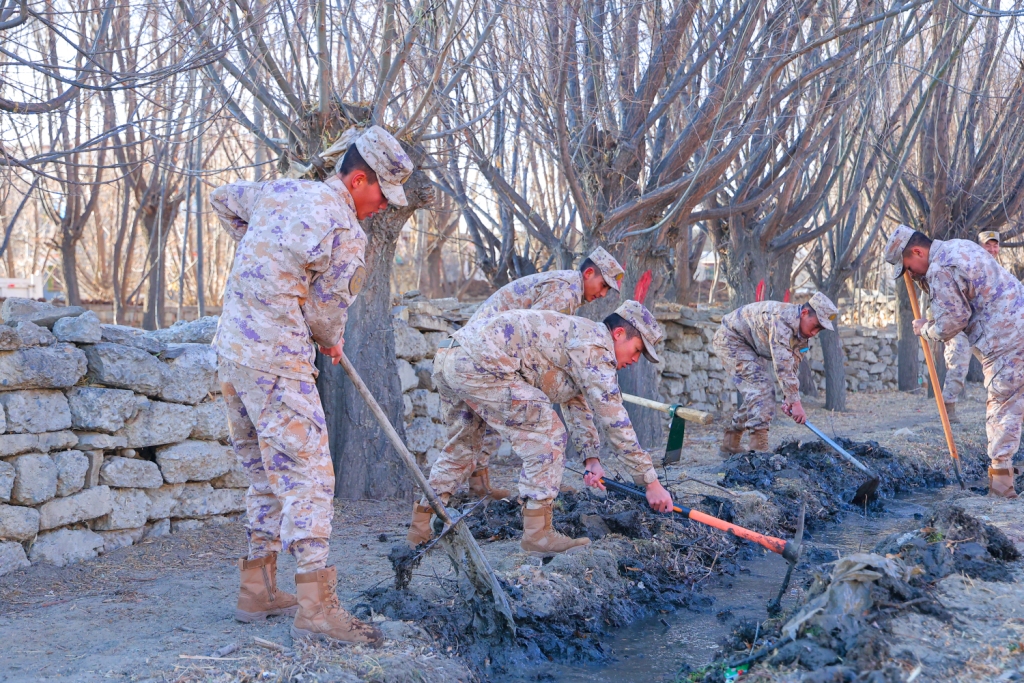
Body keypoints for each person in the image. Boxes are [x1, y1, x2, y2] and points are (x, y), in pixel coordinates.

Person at [211, 125, 413, 646]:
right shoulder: (347, 233)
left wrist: (269, 258)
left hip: (231, 352)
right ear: (359, 179)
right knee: (311, 477)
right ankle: (316, 606)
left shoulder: (280, 190)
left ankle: (256, 590)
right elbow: (325, 320)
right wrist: (328, 339)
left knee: (263, 471)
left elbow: (223, 200)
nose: (383, 207)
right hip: (278, 360)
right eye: (382, 196)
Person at [407, 301, 674, 555]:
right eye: (638, 350)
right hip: (481, 363)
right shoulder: (596, 346)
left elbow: (574, 400)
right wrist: (650, 482)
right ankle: (537, 535)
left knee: (463, 447)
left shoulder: (579, 337)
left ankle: (419, 530)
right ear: (618, 334)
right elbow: (615, 420)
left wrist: (591, 458)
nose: (636, 360)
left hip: (451, 356)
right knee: (548, 433)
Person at [449, 247, 626, 501]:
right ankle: (539, 482)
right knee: (531, 414)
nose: (603, 294)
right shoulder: (565, 291)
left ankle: (479, 486)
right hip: (489, 352)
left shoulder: (566, 289)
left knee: (485, 419)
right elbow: (536, 343)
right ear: (588, 273)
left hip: (479, 351)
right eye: (603, 285)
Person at [884, 224, 1024, 498]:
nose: (909, 275)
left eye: (908, 267)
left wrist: (924, 328)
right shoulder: (958, 246)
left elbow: (952, 322)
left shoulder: (939, 269)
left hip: (1004, 338)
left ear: (916, 251)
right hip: (1016, 323)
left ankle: (1001, 488)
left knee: (1003, 405)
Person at [712, 292, 839, 455]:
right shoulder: (782, 320)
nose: (815, 332)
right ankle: (759, 451)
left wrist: (789, 398)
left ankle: (730, 443)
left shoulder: (801, 335)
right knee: (762, 389)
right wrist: (796, 402)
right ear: (805, 313)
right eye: (815, 325)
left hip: (750, 345)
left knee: (759, 395)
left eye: (820, 329)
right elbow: (782, 366)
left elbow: (793, 365)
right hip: (731, 339)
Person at [941, 231, 1002, 422]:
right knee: (958, 366)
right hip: (960, 326)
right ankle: (948, 409)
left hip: (982, 328)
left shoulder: (999, 270)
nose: (992, 249)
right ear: (979, 247)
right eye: (987, 245)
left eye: (995, 245)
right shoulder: (969, 265)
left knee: (999, 367)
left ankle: (1002, 409)